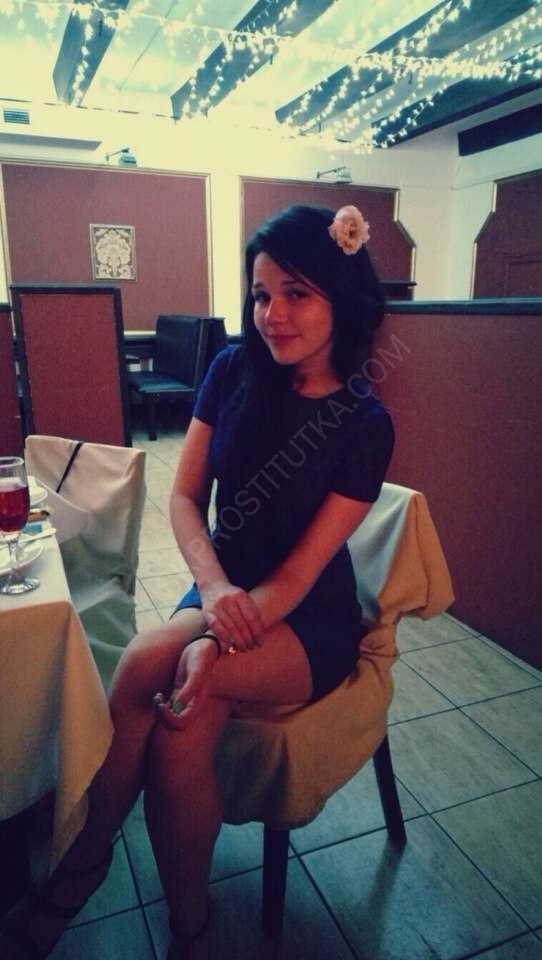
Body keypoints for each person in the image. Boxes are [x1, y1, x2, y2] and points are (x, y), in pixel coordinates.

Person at [0, 203, 394, 960]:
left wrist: (216, 640)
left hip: (307, 617)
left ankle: (154, 913)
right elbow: (185, 499)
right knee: (146, 664)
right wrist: (211, 595)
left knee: (188, 699)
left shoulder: (363, 422)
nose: (272, 314)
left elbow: (302, 573)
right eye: (261, 294)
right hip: (226, 586)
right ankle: (115, 880)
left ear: (341, 297)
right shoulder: (231, 372)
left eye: (297, 293)